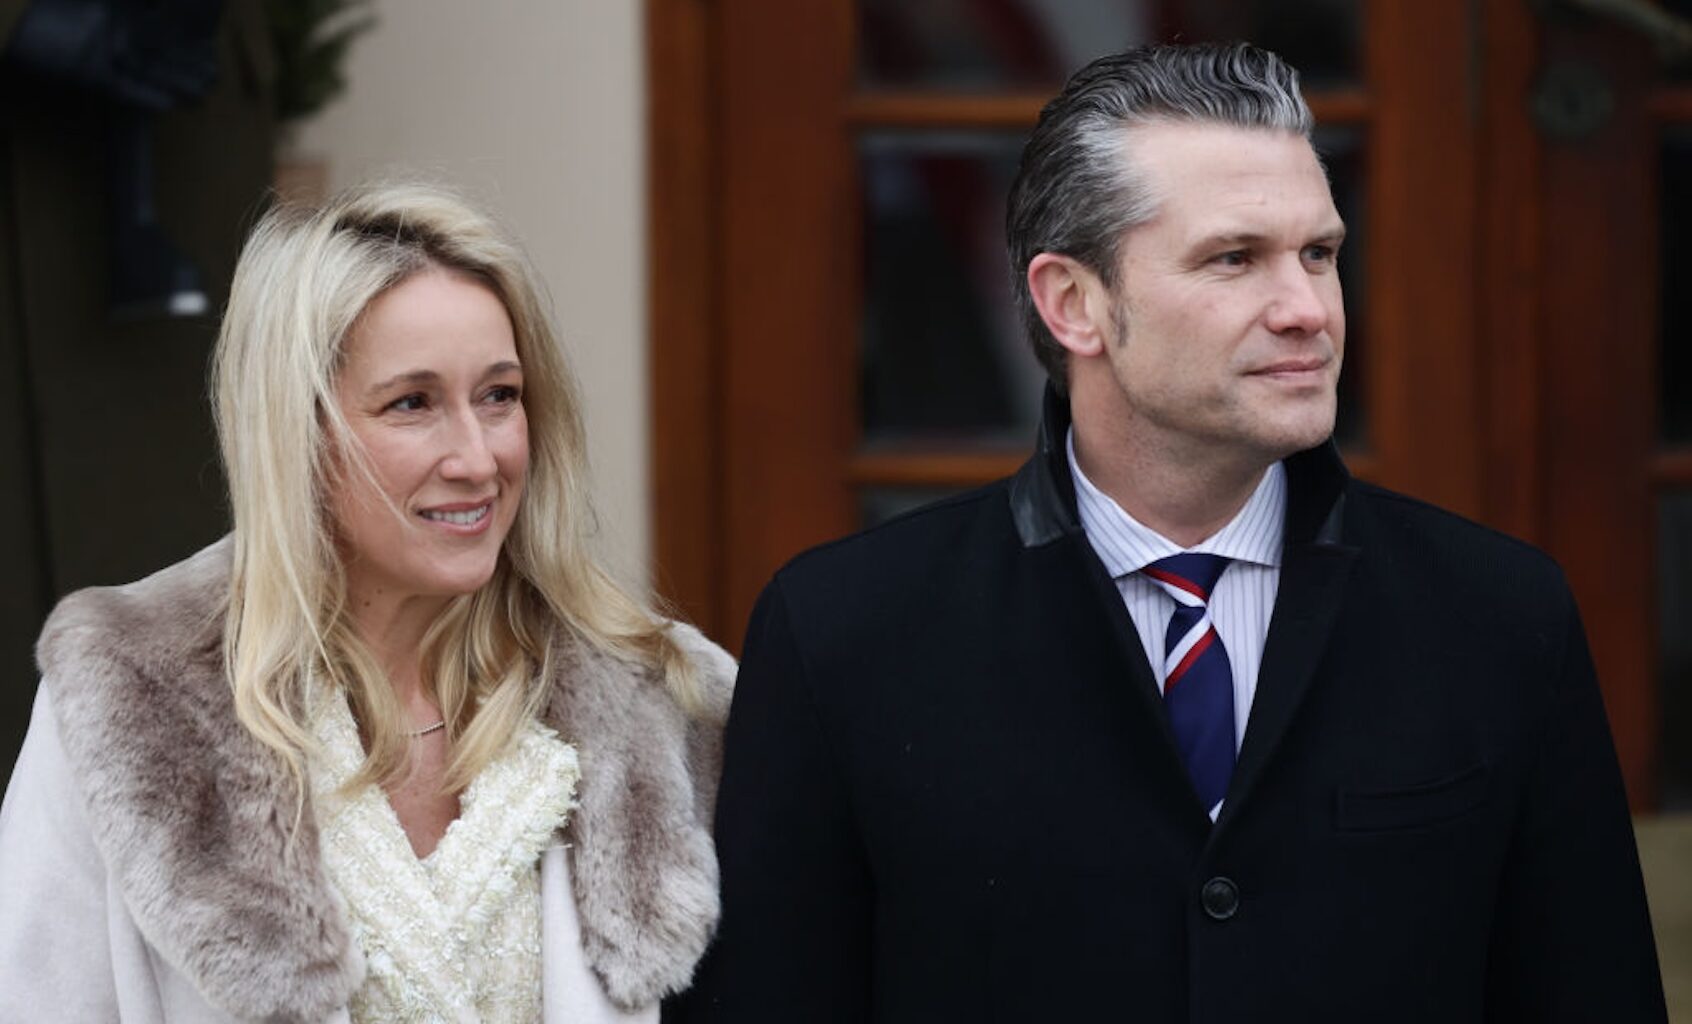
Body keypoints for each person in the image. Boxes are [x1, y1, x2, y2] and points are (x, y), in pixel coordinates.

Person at [675, 43, 1666, 1022]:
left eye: (1319, 254)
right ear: (1075, 304)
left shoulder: (1500, 616)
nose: (1308, 309)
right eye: (1236, 258)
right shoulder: (843, 632)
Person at [0, 181, 734, 1022]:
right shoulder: (125, 698)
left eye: (499, 395)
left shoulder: (663, 703)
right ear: (297, 432)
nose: (477, 456)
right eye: (413, 404)